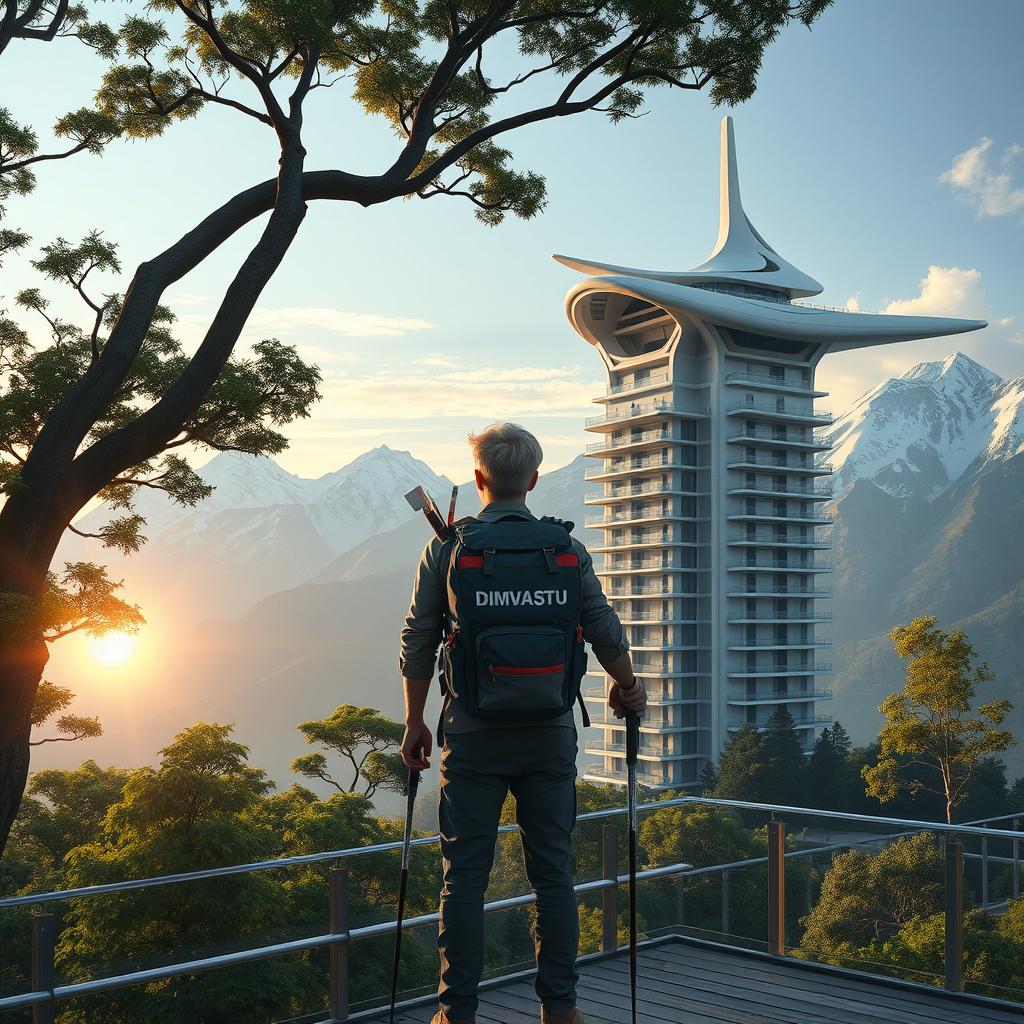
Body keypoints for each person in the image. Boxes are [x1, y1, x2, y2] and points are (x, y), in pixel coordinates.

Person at [399, 422, 648, 1024]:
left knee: (464, 880)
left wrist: (414, 721)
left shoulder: (448, 549)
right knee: (553, 876)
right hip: (549, 734)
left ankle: (455, 1014)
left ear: (478, 479)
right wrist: (628, 686)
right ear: (533, 480)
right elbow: (603, 627)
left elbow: (418, 639)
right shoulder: (564, 550)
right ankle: (559, 1010)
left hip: (472, 734)